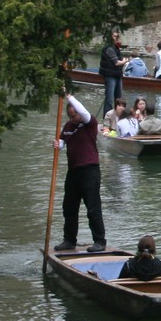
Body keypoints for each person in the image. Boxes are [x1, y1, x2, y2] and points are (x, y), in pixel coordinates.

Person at [55, 92, 106, 253]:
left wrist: (68, 96)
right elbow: (62, 143)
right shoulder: (68, 127)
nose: (73, 118)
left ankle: (99, 241)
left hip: (90, 171)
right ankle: (69, 240)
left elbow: (83, 111)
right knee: (69, 207)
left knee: (93, 208)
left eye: (74, 115)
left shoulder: (89, 123)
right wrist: (57, 144)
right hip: (73, 172)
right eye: (70, 116)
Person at [99, 30, 127, 117]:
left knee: (119, 99)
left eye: (117, 36)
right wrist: (125, 61)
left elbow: (119, 61)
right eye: (115, 36)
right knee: (109, 99)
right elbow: (117, 63)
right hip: (110, 76)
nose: (117, 38)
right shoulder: (109, 49)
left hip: (117, 75)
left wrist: (123, 61)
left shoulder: (116, 48)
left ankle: (118, 117)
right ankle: (107, 119)